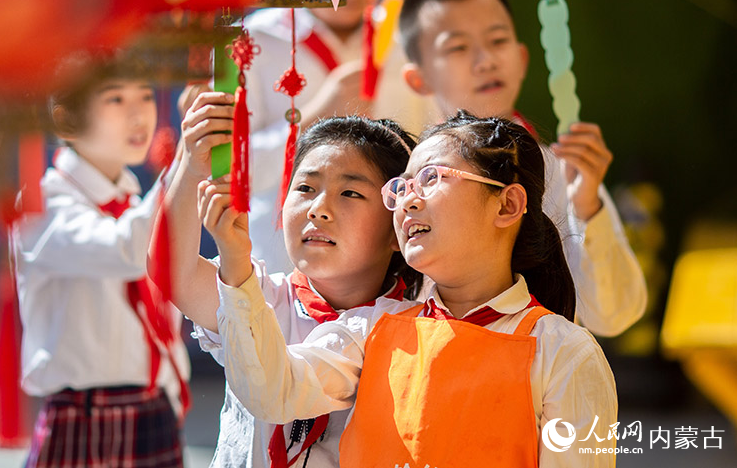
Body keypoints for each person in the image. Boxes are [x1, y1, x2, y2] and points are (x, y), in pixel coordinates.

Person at [206, 112, 618, 467]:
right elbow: (272, 392)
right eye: (401, 188)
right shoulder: (372, 327)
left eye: (430, 178)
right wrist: (237, 263)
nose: (407, 201)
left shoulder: (563, 353)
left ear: (507, 205)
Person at [162, 91, 418, 468]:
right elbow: (172, 273)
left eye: (349, 192)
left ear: (397, 229)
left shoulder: (407, 328)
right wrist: (192, 162)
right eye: (305, 188)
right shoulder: (259, 290)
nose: (319, 209)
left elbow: (274, 392)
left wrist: (236, 266)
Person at [396, 0, 646, 336]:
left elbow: (614, 315)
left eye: (498, 41)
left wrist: (587, 204)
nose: (486, 61)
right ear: (418, 78)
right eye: (458, 47)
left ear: (522, 58)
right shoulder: (403, 183)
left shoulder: (562, 170)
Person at [11, 51, 190, 468]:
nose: (138, 115)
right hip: (86, 416)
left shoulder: (134, 203)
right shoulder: (42, 204)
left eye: (145, 96)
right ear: (66, 118)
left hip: (156, 409)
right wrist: (184, 164)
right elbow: (127, 252)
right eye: (115, 99)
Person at [244, 0, 441, 274]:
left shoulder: (408, 38)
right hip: (284, 264)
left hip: (395, 260)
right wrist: (314, 117)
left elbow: (436, 145)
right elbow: (233, 172)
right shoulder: (253, 40)